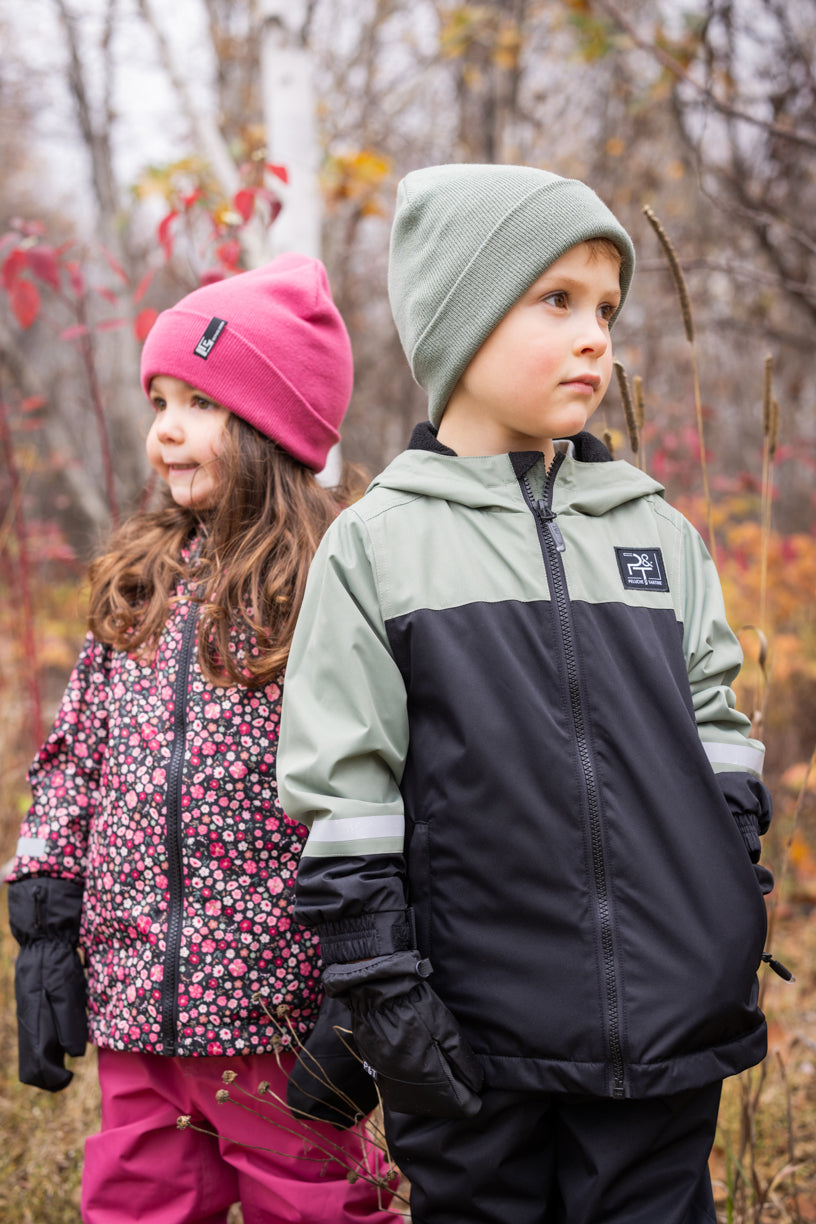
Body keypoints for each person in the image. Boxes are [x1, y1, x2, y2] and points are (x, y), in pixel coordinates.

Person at [276, 164, 779, 1224]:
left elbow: (719, 727)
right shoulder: (378, 547)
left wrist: (724, 893)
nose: (596, 337)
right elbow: (345, 788)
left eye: (606, 309)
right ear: (459, 322)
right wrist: (379, 982)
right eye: (557, 300)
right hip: (472, 1038)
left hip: (666, 1027)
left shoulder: (657, 534)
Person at [7, 255, 402, 1224]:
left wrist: (364, 978)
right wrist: (47, 917)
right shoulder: (142, 580)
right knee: (136, 1203)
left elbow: (379, 778)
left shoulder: (328, 583)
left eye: (199, 404)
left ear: (271, 427)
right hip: (139, 1001)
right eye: (160, 403)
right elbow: (76, 756)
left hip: (279, 1017)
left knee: (312, 1205)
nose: (165, 431)